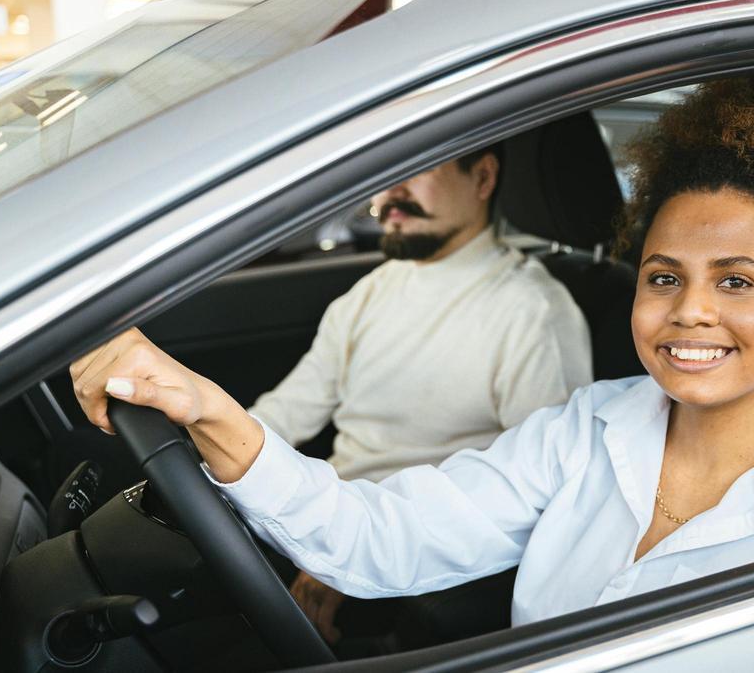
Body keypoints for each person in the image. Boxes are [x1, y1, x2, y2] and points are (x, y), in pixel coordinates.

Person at [69, 73, 754, 631]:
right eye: (663, 277)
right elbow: (379, 535)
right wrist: (208, 410)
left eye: (735, 282)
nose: (689, 312)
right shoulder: (586, 431)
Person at [238, 146, 595, 640]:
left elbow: (542, 493)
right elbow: (288, 411)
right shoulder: (372, 290)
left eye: (418, 166)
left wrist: (352, 560)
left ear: (484, 177)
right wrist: (211, 454)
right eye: (385, 170)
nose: (392, 192)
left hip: (417, 564)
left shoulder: (533, 313)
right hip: (322, 523)